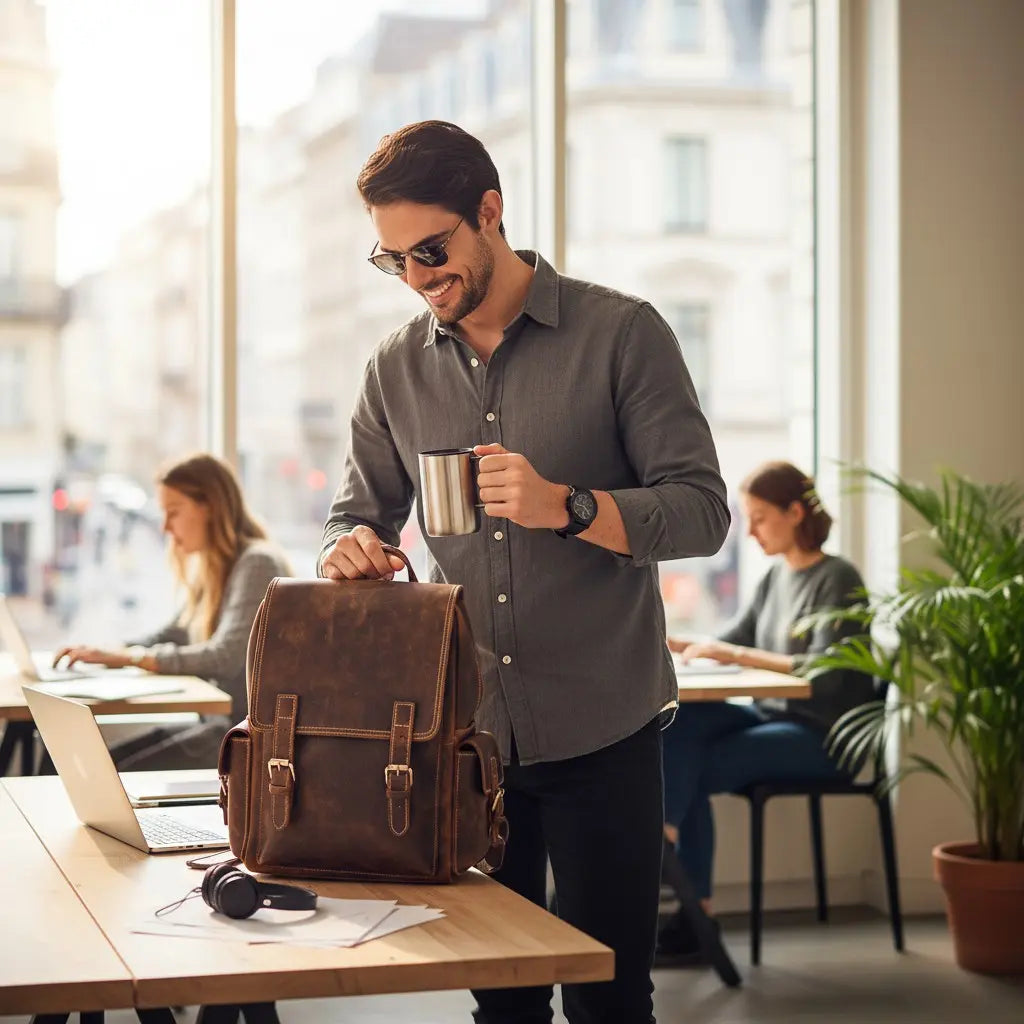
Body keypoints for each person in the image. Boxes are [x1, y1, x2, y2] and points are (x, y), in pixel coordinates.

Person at [318, 120, 729, 1024]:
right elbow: (356, 513)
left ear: (490, 213)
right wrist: (346, 550)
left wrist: (573, 508)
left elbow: (703, 512)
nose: (420, 277)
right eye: (394, 261)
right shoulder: (393, 370)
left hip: (605, 731)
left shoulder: (622, 334)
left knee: (610, 995)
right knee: (501, 1001)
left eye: (433, 249)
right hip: (468, 743)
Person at [658, 460, 874, 964]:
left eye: (759, 517)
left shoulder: (838, 577)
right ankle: (671, 859)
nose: (750, 531)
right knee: (678, 724)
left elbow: (825, 672)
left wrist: (732, 655)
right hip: (772, 719)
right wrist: (670, 640)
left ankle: (690, 903)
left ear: (795, 512)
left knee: (691, 770)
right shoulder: (776, 578)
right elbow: (731, 639)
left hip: (823, 737)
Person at [54, 453, 291, 771]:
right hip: (218, 724)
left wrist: (131, 658)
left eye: (174, 512)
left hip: (242, 735)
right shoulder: (218, 566)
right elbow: (174, 632)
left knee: (113, 773)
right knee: (97, 763)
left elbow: (224, 656)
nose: (165, 527)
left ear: (210, 506)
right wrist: (110, 652)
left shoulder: (256, 563)